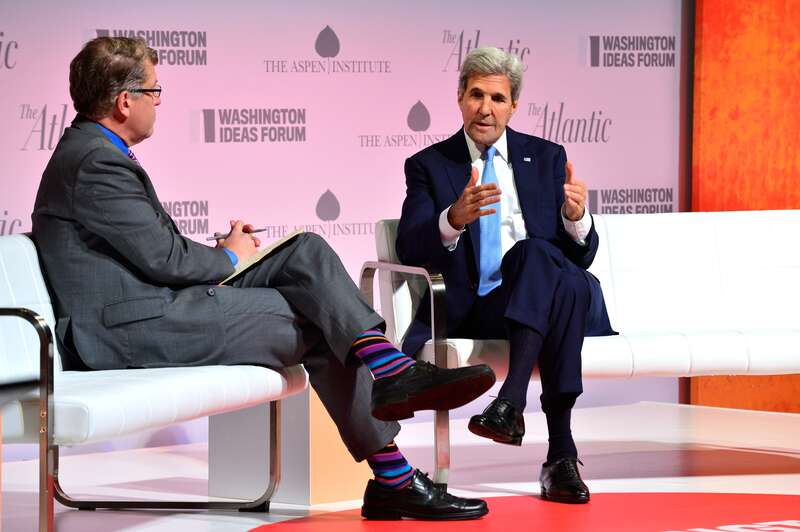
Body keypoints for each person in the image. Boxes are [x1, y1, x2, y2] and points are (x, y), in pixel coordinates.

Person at [32, 36, 496, 521]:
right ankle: (395, 471)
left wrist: (224, 253)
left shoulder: (93, 151)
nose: (159, 100)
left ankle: (391, 378)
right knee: (316, 319)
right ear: (125, 101)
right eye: (154, 90)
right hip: (129, 327)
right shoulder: (95, 161)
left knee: (305, 250)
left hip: (152, 305)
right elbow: (164, 260)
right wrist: (229, 257)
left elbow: (147, 252)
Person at [396, 47, 615, 504]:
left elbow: (583, 255)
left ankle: (511, 400)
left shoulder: (547, 156)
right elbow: (409, 246)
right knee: (559, 279)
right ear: (459, 98)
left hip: (549, 296)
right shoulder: (430, 165)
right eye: (476, 95)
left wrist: (577, 220)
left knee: (546, 261)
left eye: (497, 98)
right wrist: (451, 219)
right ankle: (560, 455)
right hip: (483, 305)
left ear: (514, 104)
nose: (485, 108)